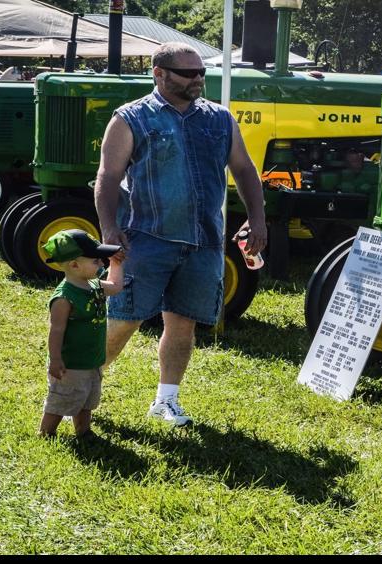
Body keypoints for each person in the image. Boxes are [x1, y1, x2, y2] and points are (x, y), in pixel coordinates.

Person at [94, 41, 267, 427]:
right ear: (159, 74)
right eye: (188, 73)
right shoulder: (130, 118)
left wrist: (258, 217)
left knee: (183, 323)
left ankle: (165, 401)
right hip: (146, 237)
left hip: (204, 241)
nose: (198, 79)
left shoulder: (220, 119)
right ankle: (85, 382)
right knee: (125, 318)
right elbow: (108, 177)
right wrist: (109, 227)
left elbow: (244, 169)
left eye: (201, 72)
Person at [40, 230, 127, 438]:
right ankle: (46, 432)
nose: (102, 264)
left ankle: (84, 431)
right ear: (74, 265)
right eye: (96, 261)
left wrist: (116, 264)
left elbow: (115, 287)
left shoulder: (94, 285)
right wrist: (56, 359)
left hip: (92, 359)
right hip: (70, 363)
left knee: (86, 398)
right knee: (62, 399)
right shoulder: (64, 297)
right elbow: (56, 331)